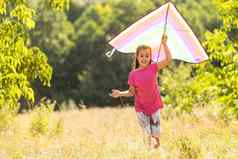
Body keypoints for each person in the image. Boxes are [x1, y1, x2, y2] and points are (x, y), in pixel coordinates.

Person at [110, 34, 172, 148]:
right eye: (141, 55)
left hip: (154, 105)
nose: (144, 58)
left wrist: (164, 44)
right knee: (147, 132)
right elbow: (131, 92)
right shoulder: (133, 74)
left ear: (150, 57)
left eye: (147, 56)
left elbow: (168, 59)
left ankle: (156, 141)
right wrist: (120, 93)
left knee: (156, 132)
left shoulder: (153, 68)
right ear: (137, 57)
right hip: (141, 109)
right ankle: (147, 151)